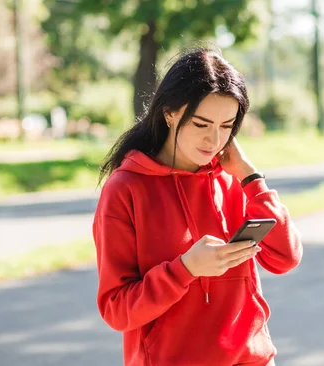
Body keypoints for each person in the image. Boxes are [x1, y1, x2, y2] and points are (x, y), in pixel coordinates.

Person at [93, 47, 303, 366]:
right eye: (202, 124)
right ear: (170, 113)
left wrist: (249, 176)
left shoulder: (233, 180)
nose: (213, 140)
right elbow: (117, 310)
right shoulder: (126, 189)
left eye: (226, 126)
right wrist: (186, 269)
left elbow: (285, 258)